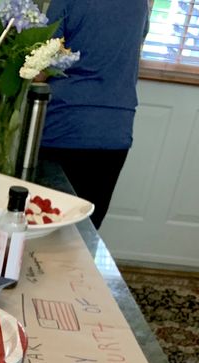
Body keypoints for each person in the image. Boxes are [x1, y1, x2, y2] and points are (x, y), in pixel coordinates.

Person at [39, 0, 150, 229]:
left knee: (47, 230)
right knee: (85, 232)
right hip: (115, 131)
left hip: (67, 125)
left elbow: (42, 64)